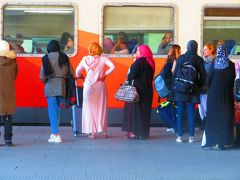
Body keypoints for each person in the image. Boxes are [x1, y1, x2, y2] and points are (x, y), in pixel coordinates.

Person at [169, 40, 206, 143]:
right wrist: (198, 85)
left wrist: (175, 87)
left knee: (180, 112)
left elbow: (175, 74)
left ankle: (179, 136)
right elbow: (203, 76)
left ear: (187, 47)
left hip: (180, 90)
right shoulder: (199, 59)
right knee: (191, 113)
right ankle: (191, 137)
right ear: (196, 48)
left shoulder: (181, 58)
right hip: (192, 90)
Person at [76, 42, 115, 139]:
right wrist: (104, 75)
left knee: (89, 109)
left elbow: (77, 71)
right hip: (100, 85)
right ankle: (103, 131)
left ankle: (91, 133)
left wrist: (81, 76)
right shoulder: (103, 58)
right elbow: (113, 66)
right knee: (101, 108)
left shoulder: (85, 59)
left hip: (88, 86)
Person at [40, 40, 74, 143]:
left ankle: (55, 134)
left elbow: (42, 76)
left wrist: (46, 81)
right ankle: (54, 133)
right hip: (62, 86)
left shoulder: (46, 58)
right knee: (57, 110)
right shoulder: (64, 57)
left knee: (52, 111)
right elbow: (71, 72)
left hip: (50, 86)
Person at [203, 45, 235, 150]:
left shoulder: (214, 63)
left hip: (214, 95)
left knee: (212, 118)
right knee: (225, 118)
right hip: (226, 96)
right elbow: (232, 80)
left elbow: (208, 80)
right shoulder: (231, 65)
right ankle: (222, 143)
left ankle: (211, 142)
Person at [122, 44, 155, 140]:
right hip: (148, 90)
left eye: (137, 51)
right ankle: (143, 133)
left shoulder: (139, 62)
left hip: (138, 90)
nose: (136, 53)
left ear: (141, 52)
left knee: (136, 112)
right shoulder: (150, 62)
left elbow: (131, 75)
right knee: (145, 112)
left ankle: (135, 132)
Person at [0, 40, 18, 146]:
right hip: (9, 91)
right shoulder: (13, 62)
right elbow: (15, 76)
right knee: (7, 116)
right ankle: (8, 139)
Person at [198, 42, 216, 130]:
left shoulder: (214, 61)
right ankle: (203, 123)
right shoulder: (202, 61)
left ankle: (209, 124)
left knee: (206, 106)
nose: (203, 51)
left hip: (208, 88)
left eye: (205, 49)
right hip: (200, 88)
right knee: (200, 107)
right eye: (203, 49)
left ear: (211, 50)